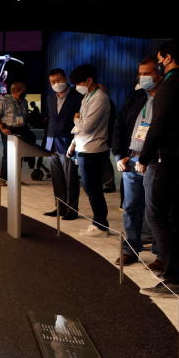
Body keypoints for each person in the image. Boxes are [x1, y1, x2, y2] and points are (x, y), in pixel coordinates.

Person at [138, 39, 179, 298]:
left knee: (157, 216)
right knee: (175, 216)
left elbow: (159, 126)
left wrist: (144, 156)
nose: (159, 61)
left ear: (167, 57)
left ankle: (173, 277)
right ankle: (177, 272)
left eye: (161, 57)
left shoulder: (171, 85)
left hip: (165, 159)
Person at [112, 56, 163, 267]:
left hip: (154, 161)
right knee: (131, 207)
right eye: (140, 73)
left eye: (147, 73)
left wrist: (148, 156)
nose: (143, 77)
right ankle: (130, 249)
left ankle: (162, 254)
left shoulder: (166, 98)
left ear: (159, 74)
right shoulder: (136, 97)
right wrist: (119, 154)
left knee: (156, 210)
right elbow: (119, 126)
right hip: (130, 159)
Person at [67, 64, 112, 238]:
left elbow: (86, 126)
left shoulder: (100, 98)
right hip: (83, 147)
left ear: (89, 80)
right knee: (90, 188)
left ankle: (101, 225)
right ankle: (98, 222)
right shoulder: (87, 97)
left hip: (94, 149)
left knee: (94, 189)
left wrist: (76, 119)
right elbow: (80, 127)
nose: (78, 87)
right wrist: (73, 144)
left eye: (79, 83)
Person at [42, 68, 82, 220]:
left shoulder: (77, 97)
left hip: (68, 141)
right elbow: (51, 120)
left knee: (70, 177)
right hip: (52, 141)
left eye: (58, 80)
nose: (56, 84)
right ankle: (59, 206)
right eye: (53, 82)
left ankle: (72, 209)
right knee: (56, 177)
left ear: (65, 79)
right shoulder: (50, 98)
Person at [0, 82, 37, 183]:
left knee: (19, 153)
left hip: (21, 129)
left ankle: (16, 179)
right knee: (8, 153)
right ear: (17, 91)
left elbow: (25, 117)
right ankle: (3, 178)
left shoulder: (24, 101)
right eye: (23, 90)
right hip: (8, 129)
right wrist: (2, 128)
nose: (25, 92)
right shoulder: (5, 100)